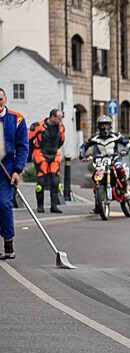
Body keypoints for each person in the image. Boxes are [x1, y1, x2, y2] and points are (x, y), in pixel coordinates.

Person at [79, 115, 130, 211]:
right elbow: (84, 145)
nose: (104, 128)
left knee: (120, 170)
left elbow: (128, 143)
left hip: (114, 159)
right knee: (96, 178)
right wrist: (83, 154)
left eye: (106, 125)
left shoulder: (115, 136)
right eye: (102, 125)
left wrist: (125, 150)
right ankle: (98, 204)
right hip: (101, 161)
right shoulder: (95, 138)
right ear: (99, 126)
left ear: (110, 126)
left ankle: (125, 190)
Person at [0, 88, 29, 259]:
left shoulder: (17, 119)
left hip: (7, 170)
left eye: (0, 99)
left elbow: (23, 147)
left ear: (5, 99)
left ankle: (8, 243)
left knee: (4, 205)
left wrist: (17, 170)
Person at [28, 109, 65, 213]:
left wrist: (54, 149)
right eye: (59, 118)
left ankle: (54, 206)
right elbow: (28, 138)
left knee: (56, 181)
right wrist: (32, 152)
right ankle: (40, 205)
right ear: (52, 117)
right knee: (41, 181)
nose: (61, 120)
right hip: (40, 153)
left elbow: (61, 141)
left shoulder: (61, 128)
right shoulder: (38, 126)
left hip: (54, 154)